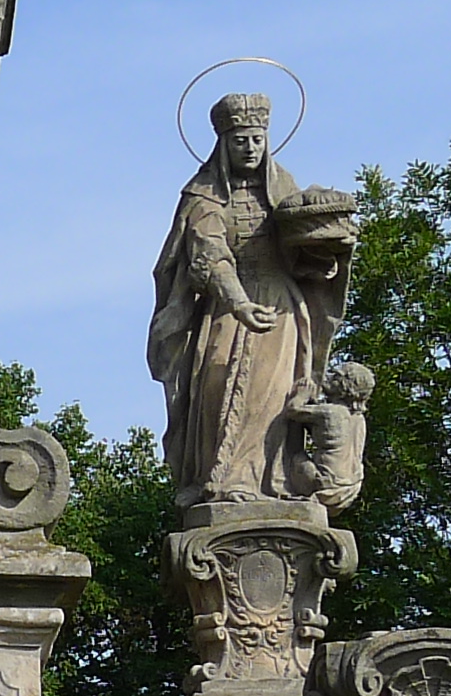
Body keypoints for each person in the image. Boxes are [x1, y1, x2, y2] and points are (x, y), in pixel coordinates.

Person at [147, 93, 358, 510]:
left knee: (273, 396)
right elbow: (208, 253)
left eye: (257, 139)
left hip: (281, 310)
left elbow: (304, 250)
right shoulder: (203, 197)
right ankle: (219, 477)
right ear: (224, 143)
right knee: (216, 386)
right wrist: (239, 303)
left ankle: (270, 481)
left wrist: (331, 252)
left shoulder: (283, 188)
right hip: (227, 309)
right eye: (240, 140)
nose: (250, 148)